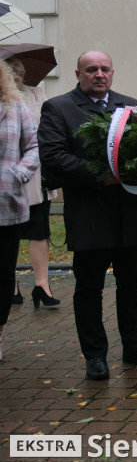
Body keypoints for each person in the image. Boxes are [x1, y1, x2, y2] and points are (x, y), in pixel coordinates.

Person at [38, 51, 137, 379]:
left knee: (132, 285)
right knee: (89, 287)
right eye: (91, 69)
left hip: (128, 211)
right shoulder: (59, 107)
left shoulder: (132, 106)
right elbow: (53, 156)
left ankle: (135, 347)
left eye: (104, 69)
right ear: (78, 73)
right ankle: (95, 355)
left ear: (112, 72)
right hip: (88, 212)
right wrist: (101, 175)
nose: (98, 74)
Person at [6, 58, 59, 309]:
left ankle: (42, 285)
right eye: (11, 75)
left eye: (19, 75)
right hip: (6, 180)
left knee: (39, 229)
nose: (17, 80)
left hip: (34, 173)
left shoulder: (37, 94)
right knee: (9, 234)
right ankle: (11, 285)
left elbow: (48, 128)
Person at [0, 61, 40, 361]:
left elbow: (34, 146)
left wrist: (18, 174)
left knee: (2, 274)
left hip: (6, 204)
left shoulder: (15, 106)